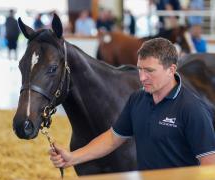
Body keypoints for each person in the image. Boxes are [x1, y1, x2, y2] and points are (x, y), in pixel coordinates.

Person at [49, 38, 215, 170]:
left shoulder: (192, 109)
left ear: (171, 70)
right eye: (140, 69)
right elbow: (113, 138)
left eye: (149, 71)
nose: (142, 78)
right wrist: (73, 157)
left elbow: (209, 165)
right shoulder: (137, 99)